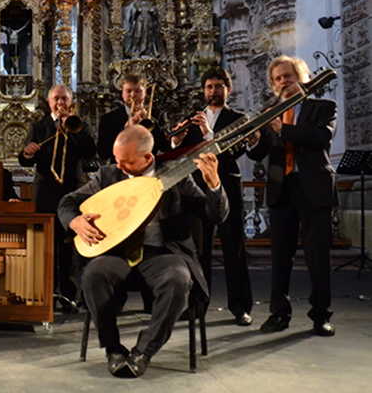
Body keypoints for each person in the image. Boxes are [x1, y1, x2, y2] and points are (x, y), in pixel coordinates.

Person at [58, 125, 227, 378]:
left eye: (127, 161)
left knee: (178, 280)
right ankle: (113, 350)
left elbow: (215, 215)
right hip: (118, 254)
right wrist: (75, 222)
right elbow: (68, 202)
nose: (120, 166)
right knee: (94, 275)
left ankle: (143, 352)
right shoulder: (108, 175)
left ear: (148, 158)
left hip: (163, 254)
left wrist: (214, 184)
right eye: (117, 160)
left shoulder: (176, 176)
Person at [247, 55, 337, 337]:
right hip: (282, 188)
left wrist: (282, 129)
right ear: (273, 85)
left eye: (289, 75)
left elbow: (320, 138)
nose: (284, 82)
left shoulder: (322, 107)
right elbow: (259, 154)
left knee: (318, 256)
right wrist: (254, 140)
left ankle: (321, 315)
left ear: (301, 77)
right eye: (278, 78)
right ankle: (279, 314)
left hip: (313, 187)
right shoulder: (269, 111)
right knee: (280, 257)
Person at [172, 67, 254, 326]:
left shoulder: (238, 118)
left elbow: (233, 153)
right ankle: (196, 306)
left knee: (234, 249)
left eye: (218, 86)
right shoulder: (193, 118)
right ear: (203, 90)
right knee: (198, 251)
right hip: (198, 193)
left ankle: (240, 307)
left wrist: (209, 133)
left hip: (227, 189)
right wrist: (177, 141)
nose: (213, 91)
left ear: (228, 89)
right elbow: (182, 155)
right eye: (209, 86)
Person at [18, 85, 96, 308]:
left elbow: (90, 152)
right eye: (56, 99)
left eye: (64, 98)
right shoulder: (39, 126)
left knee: (71, 245)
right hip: (46, 192)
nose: (60, 103)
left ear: (71, 101)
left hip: (72, 191)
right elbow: (26, 160)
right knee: (46, 243)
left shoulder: (79, 125)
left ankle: (71, 295)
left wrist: (74, 129)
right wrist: (26, 152)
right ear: (49, 102)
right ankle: (46, 292)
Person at [96, 74, 169, 164]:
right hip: (121, 171)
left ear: (145, 92)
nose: (133, 95)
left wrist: (176, 140)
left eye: (138, 91)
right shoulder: (108, 119)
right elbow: (103, 153)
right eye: (128, 91)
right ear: (122, 93)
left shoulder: (158, 115)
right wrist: (124, 132)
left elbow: (165, 147)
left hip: (149, 169)